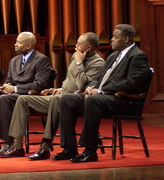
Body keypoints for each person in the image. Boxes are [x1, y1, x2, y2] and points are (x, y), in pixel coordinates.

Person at [0, 32, 105, 159]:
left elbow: (82, 84)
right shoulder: (76, 57)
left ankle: (45, 146)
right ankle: (16, 146)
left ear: (88, 48)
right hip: (62, 96)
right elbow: (69, 80)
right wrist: (60, 88)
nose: (75, 46)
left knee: (55, 100)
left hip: (77, 100)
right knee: (22, 99)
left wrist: (78, 63)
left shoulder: (97, 63)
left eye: (79, 44)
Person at [56, 24, 150, 163]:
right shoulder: (113, 56)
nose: (111, 40)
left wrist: (100, 91)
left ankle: (90, 151)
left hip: (122, 100)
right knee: (67, 99)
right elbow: (98, 78)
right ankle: (70, 148)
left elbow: (132, 83)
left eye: (115, 37)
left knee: (93, 100)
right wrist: (89, 88)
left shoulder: (138, 56)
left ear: (125, 39)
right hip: (103, 99)